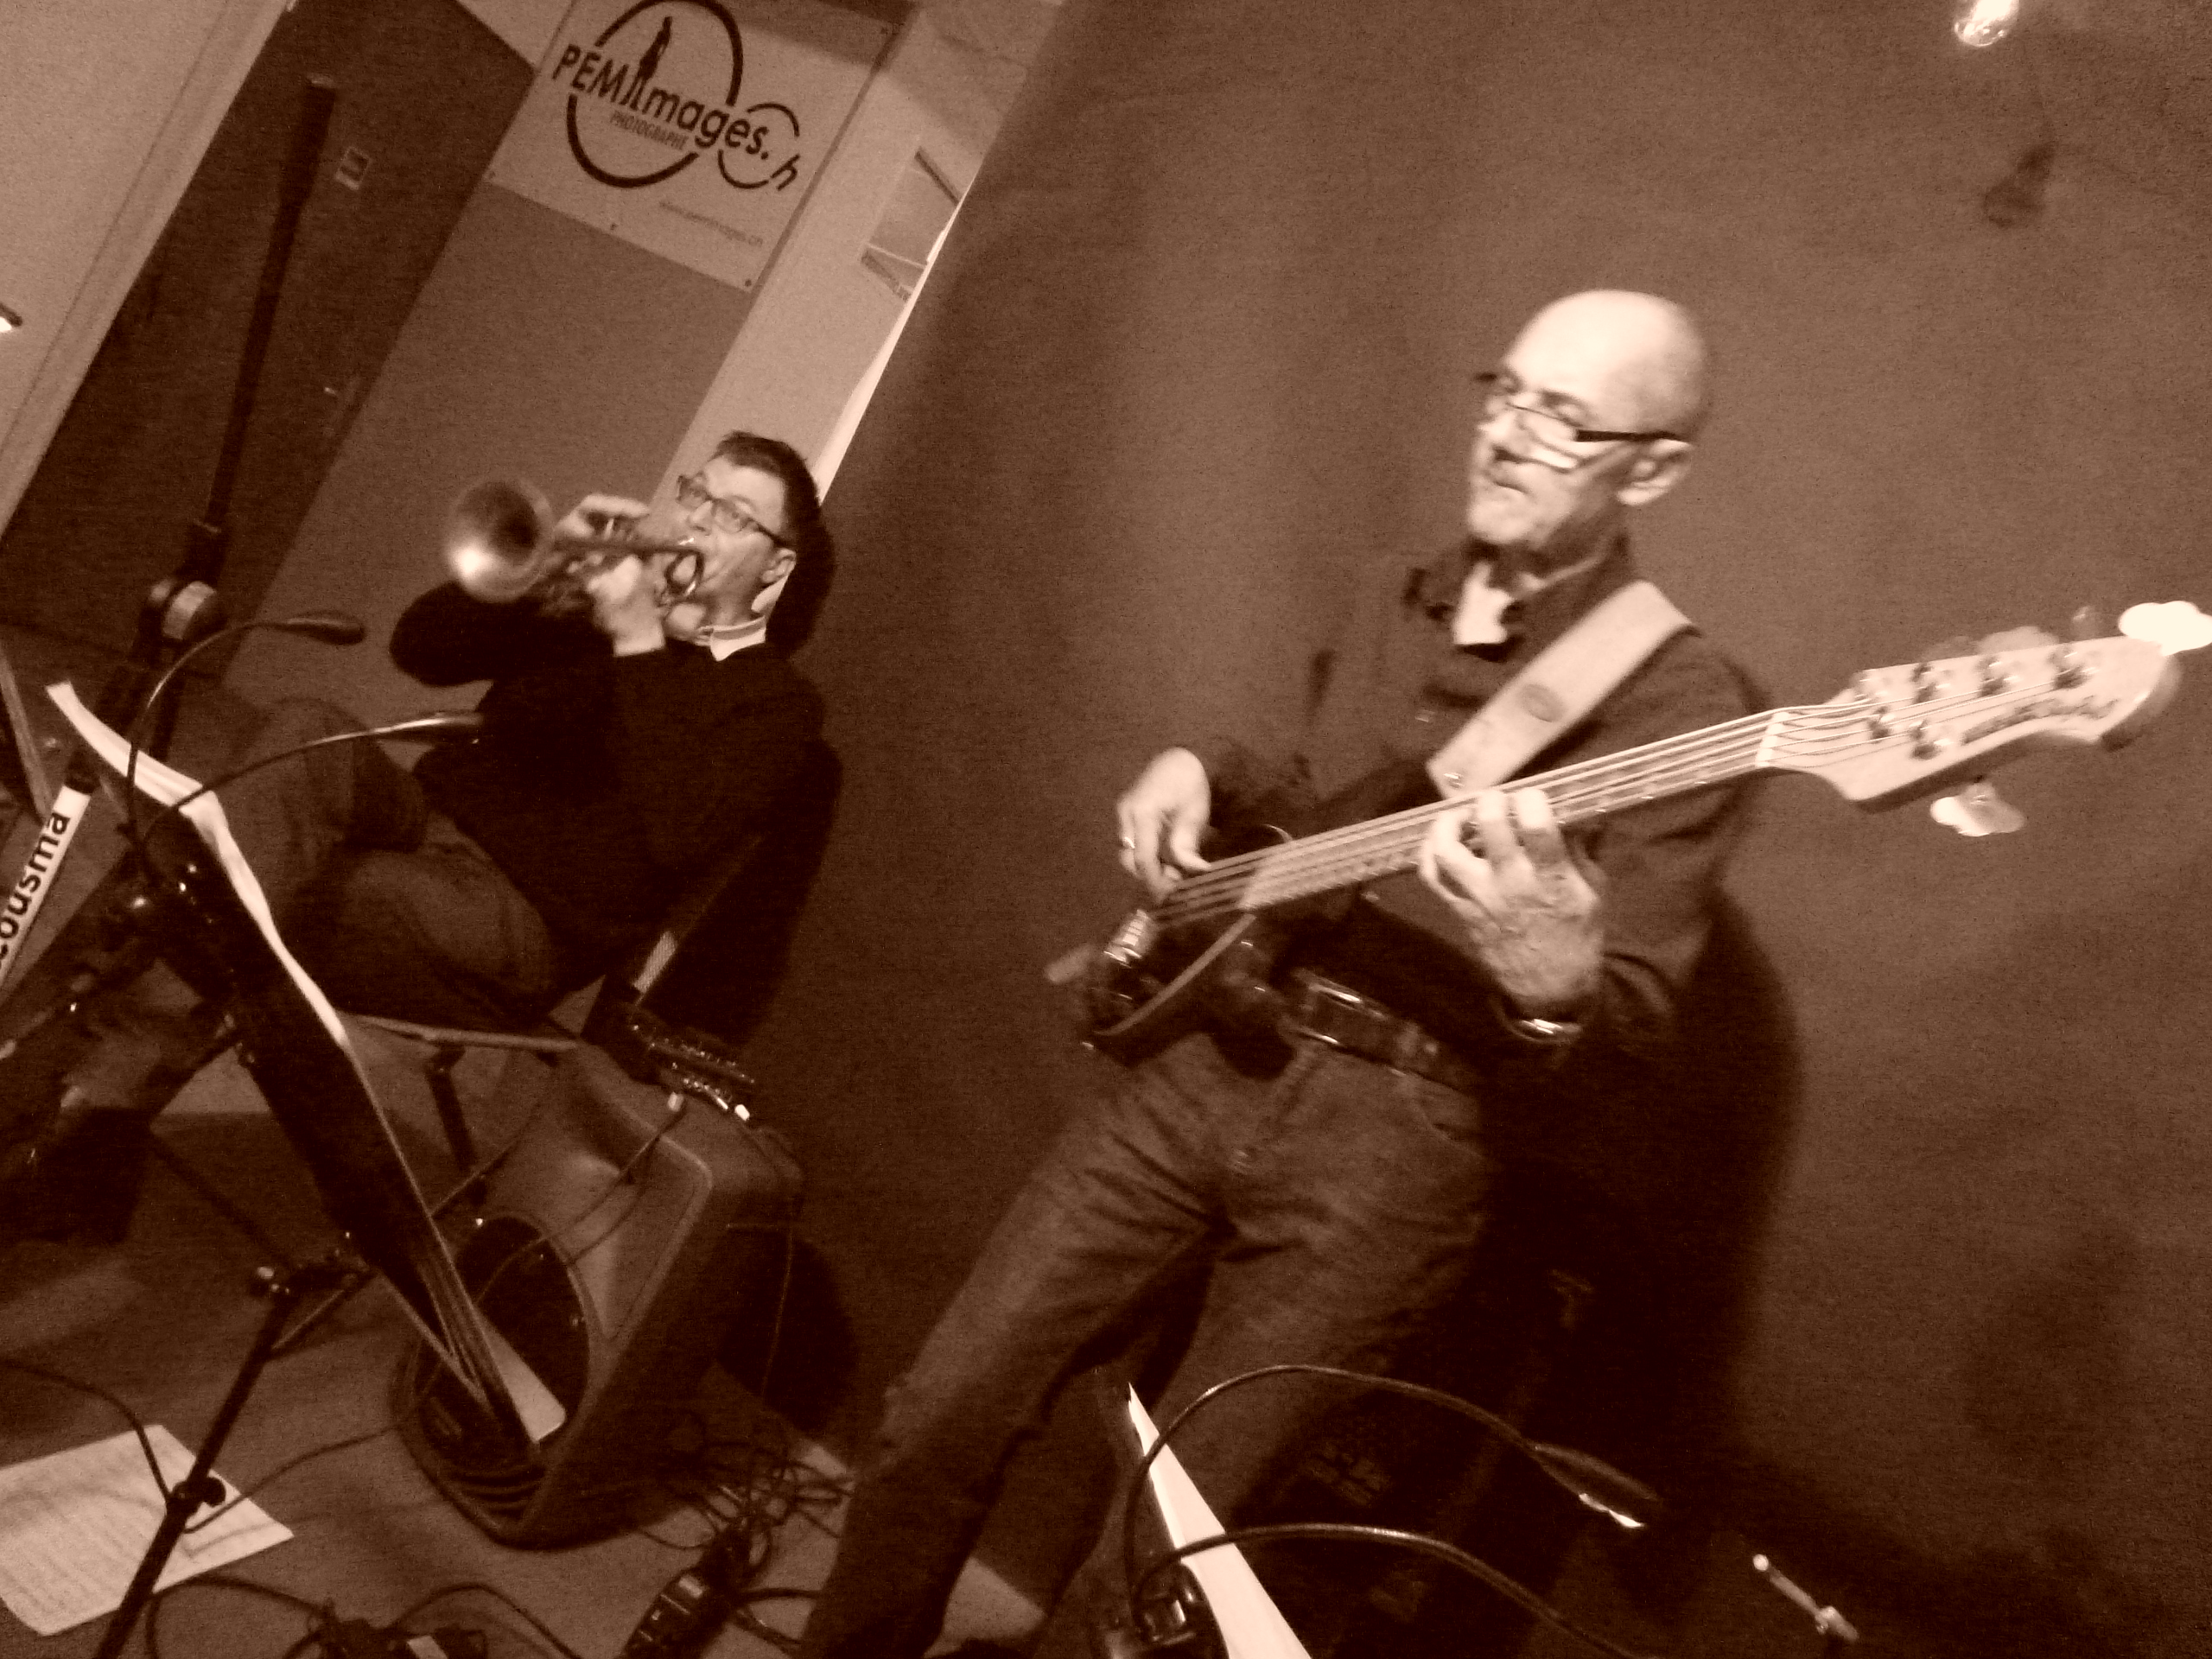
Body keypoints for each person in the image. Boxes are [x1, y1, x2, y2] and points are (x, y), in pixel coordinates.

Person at [792, 290, 1759, 1659]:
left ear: (1651, 470)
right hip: (1215, 1049)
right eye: (1506, 392)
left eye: (1562, 419)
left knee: (1160, 1557)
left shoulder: (1683, 702)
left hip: (1398, 1142)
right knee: (940, 1411)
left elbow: (1634, 1015)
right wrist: (1204, 765)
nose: (1506, 433)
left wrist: (1555, 981)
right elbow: (1313, 793)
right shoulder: (1392, 592)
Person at [0, 429, 829, 1244]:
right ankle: (82, 1128)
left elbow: (680, 831)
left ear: (776, 565)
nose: (697, 518)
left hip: (518, 916)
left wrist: (640, 640)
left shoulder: (777, 706)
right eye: (697, 492)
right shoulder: (593, 616)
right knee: (299, 736)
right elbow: (421, 649)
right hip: (421, 816)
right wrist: (540, 572)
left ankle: (64, 1103)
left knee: (252, 875)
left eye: (732, 514)